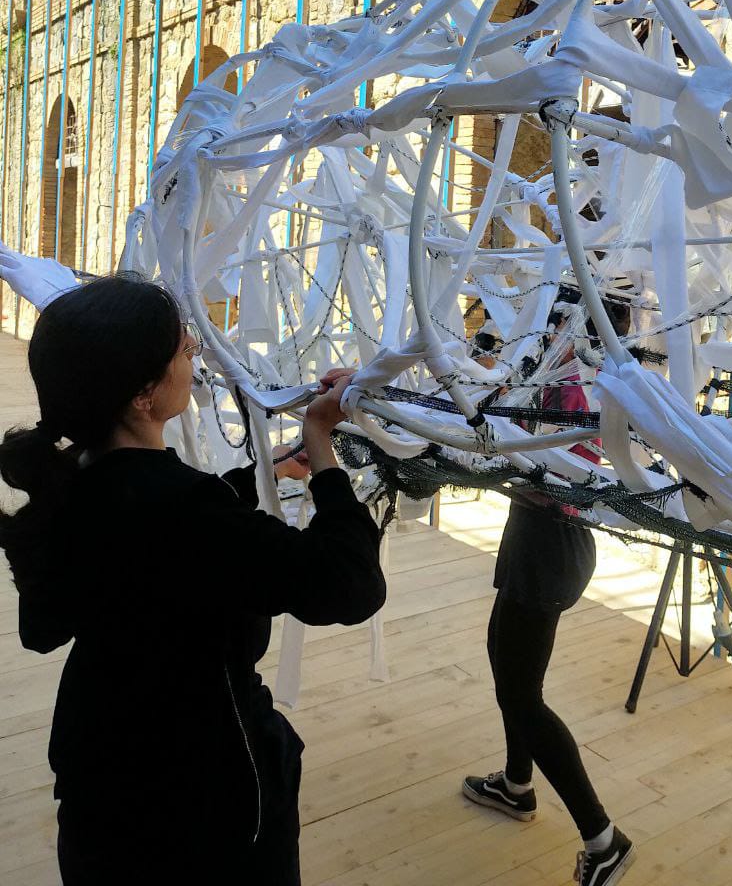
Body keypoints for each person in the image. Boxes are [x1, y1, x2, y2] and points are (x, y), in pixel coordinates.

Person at [0, 275, 386, 886]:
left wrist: (256, 475)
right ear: (143, 396)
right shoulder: (188, 514)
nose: (195, 349)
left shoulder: (71, 485)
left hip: (102, 781)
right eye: (180, 347)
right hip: (203, 804)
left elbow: (66, 609)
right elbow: (351, 585)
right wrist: (321, 448)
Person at [462, 296, 634, 886]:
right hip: (538, 535)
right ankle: (516, 785)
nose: (542, 324)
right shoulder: (563, 378)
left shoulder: (574, 389)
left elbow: (529, 449)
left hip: (549, 543)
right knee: (506, 669)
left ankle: (602, 839)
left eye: (557, 316)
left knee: (521, 695)